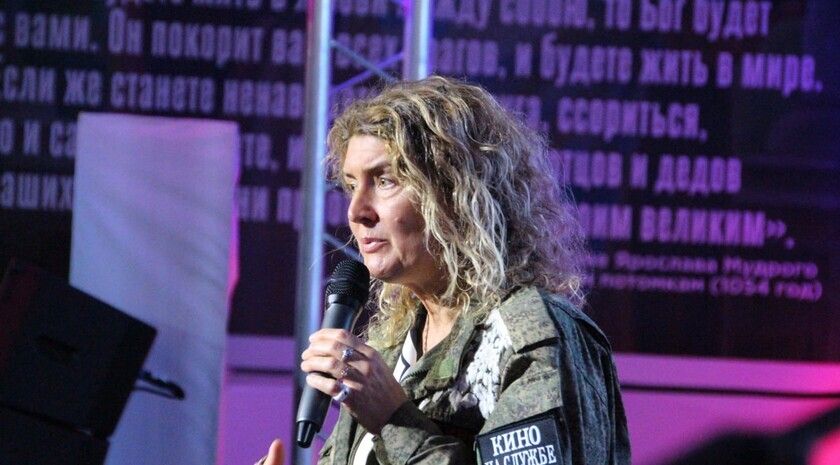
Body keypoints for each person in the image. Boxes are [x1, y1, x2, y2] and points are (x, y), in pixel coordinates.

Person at [259, 76, 630, 465]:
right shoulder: (390, 350)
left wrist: (394, 421)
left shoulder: (527, 335)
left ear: (455, 193)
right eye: (352, 186)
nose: (356, 212)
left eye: (384, 181)